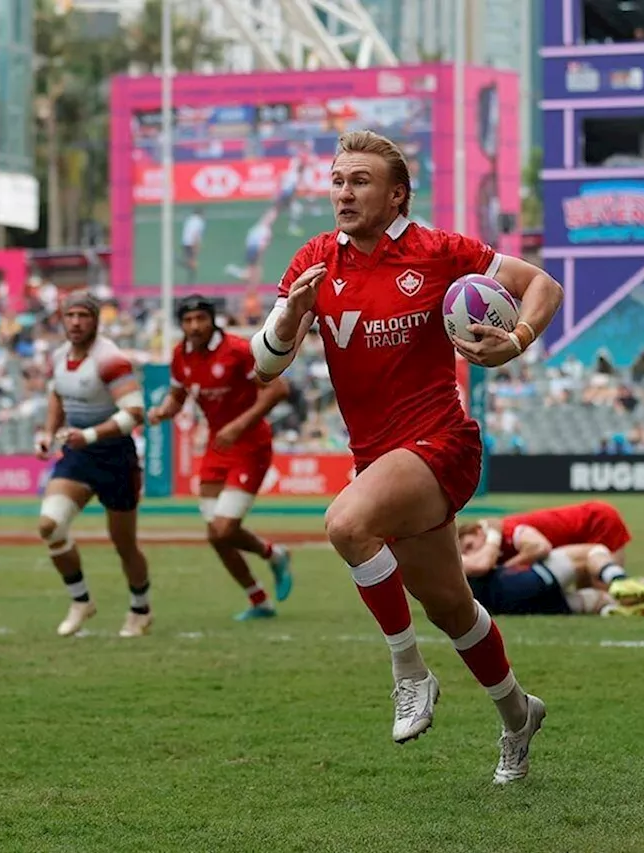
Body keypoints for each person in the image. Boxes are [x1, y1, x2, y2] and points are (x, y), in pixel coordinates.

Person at [251, 129, 564, 784]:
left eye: (360, 180)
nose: (344, 191)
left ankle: (408, 670)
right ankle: (517, 714)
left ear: (397, 196)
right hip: (381, 459)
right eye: (338, 180)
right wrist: (289, 319)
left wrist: (518, 339)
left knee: (345, 524)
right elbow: (264, 363)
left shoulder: (442, 251)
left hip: (442, 443)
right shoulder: (315, 259)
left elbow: (542, 285)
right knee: (451, 607)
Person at [148, 295, 293, 620]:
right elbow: (178, 395)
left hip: (250, 444)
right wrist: (163, 412)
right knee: (215, 535)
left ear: (212, 320)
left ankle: (275, 555)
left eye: (200, 319)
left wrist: (238, 425)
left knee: (225, 529)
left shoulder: (238, 351)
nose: (194, 326)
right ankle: (259, 601)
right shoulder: (180, 356)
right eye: (187, 321)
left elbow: (278, 389)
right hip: (218, 445)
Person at [37, 292, 151, 638]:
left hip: (115, 457)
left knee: (124, 543)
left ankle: (141, 609)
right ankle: (80, 600)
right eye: (69, 315)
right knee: (49, 525)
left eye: (82, 315)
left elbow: (134, 413)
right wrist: (48, 432)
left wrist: (87, 435)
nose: (75, 321)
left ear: (96, 320)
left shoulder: (111, 359)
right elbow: (58, 393)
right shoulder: (58, 356)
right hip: (79, 455)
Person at [457, 501, 644, 611]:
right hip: (576, 544)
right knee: (609, 598)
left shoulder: (505, 530)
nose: (471, 552)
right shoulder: (496, 543)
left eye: (470, 545)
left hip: (597, 523)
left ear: (479, 530)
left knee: (617, 592)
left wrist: (511, 566)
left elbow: (540, 547)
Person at [465, 543, 644, 618]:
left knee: (599, 600)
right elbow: (482, 564)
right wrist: (492, 535)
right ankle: (621, 580)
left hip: (521, 608)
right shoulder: (455, 550)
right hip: (521, 584)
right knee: (593, 551)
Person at [180, 208, 205, 285]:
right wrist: (196, 245)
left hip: (185, 242)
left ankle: (190, 281)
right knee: (193, 263)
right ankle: (191, 283)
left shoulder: (190, 219)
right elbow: (195, 234)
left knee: (191, 263)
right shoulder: (199, 222)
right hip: (191, 243)